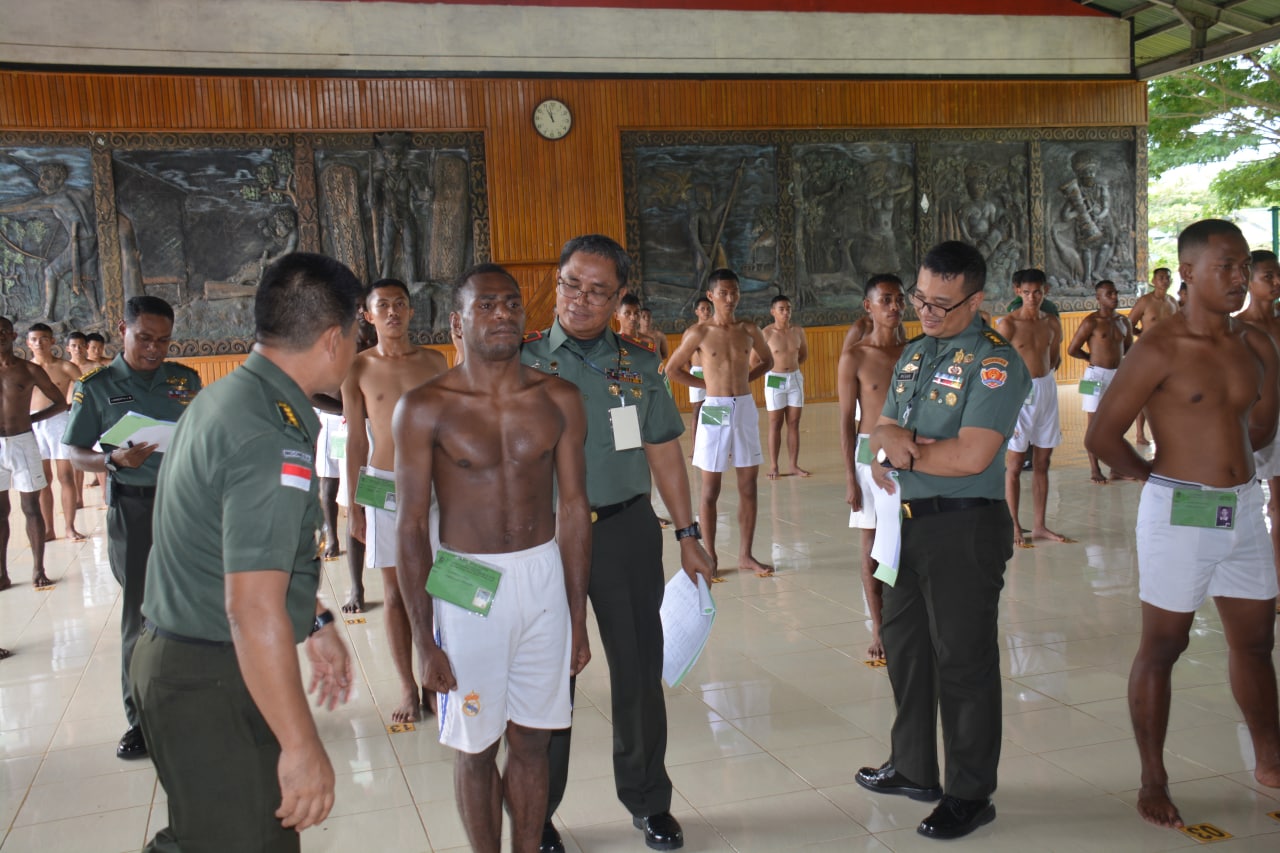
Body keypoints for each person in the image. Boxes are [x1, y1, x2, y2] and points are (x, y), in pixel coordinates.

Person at [132, 252, 360, 852]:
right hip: (210, 674)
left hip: (196, 661)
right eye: (357, 334)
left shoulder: (232, 396)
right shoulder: (268, 431)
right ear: (335, 338)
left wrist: (313, 621)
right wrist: (302, 745)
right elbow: (252, 609)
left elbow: (242, 548)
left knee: (207, 834)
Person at [1084, 220, 1280, 828]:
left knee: (1256, 641)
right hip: (1180, 508)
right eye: (1225, 266)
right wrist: (1154, 476)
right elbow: (1101, 434)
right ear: (1188, 271)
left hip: (1244, 508)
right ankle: (1153, 777)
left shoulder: (1256, 344)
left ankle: (1271, 759)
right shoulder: (1160, 347)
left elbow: (1261, 426)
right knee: (1164, 646)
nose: (1238, 277)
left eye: (1244, 266)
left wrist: (1231, 459)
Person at [521, 234, 713, 853]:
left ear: (618, 297)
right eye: (572, 283)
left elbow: (662, 449)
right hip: (545, 540)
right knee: (551, 681)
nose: (581, 299)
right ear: (557, 281)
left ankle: (648, 801)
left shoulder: (638, 363)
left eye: (599, 290)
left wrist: (687, 533)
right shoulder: (519, 361)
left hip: (628, 532)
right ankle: (538, 813)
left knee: (637, 673)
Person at [396, 264, 591, 853]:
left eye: (511, 304)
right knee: (476, 744)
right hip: (464, 579)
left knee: (534, 742)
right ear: (458, 322)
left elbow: (576, 511)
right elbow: (408, 526)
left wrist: (578, 617)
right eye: (487, 305)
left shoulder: (557, 398)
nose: (503, 314)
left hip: (541, 577)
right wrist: (423, 639)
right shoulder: (425, 406)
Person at [858, 240, 1030, 841]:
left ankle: (969, 791)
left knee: (963, 661)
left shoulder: (996, 362)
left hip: (963, 526)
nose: (926, 314)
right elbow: (880, 424)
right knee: (905, 646)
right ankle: (913, 766)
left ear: (976, 300)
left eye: (941, 305)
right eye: (920, 301)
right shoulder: (913, 353)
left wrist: (906, 449)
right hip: (903, 521)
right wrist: (888, 446)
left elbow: (974, 453)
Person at [63, 296, 202, 760]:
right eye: (144, 338)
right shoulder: (97, 387)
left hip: (184, 508)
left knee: (191, 611)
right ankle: (140, 721)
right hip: (136, 509)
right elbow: (75, 452)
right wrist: (110, 460)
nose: (153, 349)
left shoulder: (184, 380)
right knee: (142, 620)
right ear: (122, 328)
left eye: (163, 340)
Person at [341, 278, 448, 722]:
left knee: (440, 586)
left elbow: (454, 425)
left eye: (400, 304)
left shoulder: (436, 361)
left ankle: (435, 676)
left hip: (438, 483)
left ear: (410, 311)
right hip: (383, 484)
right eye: (382, 306)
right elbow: (354, 442)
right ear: (367, 316)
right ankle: (407, 685)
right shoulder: (358, 369)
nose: (393, 312)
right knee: (395, 591)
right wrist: (355, 507)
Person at [667, 268, 775, 577]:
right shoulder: (698, 333)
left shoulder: (749, 329)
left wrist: (744, 379)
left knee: (748, 486)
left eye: (734, 292)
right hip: (713, 407)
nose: (730, 298)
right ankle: (711, 555)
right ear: (711, 296)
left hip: (743, 406)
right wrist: (706, 387)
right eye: (723, 293)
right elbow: (672, 369)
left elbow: (766, 361)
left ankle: (745, 555)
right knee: (710, 489)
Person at [837, 274, 906, 660]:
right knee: (871, 545)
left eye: (898, 300)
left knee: (907, 539)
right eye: (885, 300)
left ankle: (905, 617)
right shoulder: (856, 356)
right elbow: (847, 420)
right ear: (869, 307)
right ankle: (879, 627)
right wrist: (851, 477)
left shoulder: (915, 352)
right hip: (868, 452)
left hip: (908, 450)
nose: (894, 307)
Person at [998, 268, 1066, 546]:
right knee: (1014, 464)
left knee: (1043, 461)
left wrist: (1044, 378)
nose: (1032, 297)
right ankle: (1013, 525)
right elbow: (996, 366)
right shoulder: (1008, 325)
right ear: (1017, 292)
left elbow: (1054, 358)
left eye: (1037, 291)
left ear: (1045, 291)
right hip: (1019, 393)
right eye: (1026, 292)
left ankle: (1039, 526)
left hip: (1047, 389)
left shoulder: (1051, 323)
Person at [0, 316, 67, 592]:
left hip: (24, 441)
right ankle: (2, 573)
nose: (0, 336)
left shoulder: (28, 370)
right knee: (1, 511)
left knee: (30, 507)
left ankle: (39, 568)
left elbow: (61, 402)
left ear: (14, 336)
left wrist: (33, 419)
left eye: (4, 332)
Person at [1239, 250, 1280, 595]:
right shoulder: (1239, 329)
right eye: (1268, 276)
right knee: (1260, 503)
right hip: (1258, 422)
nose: (1277, 282)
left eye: (1278, 275)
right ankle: (1267, 583)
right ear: (1249, 280)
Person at [1066, 280, 1132, 484]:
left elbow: (1128, 348)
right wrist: (1090, 359)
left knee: (1115, 423)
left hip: (1116, 375)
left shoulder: (1123, 321)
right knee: (1094, 423)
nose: (1115, 297)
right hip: (1094, 376)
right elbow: (1072, 349)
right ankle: (1095, 469)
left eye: (1115, 293)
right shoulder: (1091, 322)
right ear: (1098, 297)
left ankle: (1116, 468)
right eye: (1109, 294)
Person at [26, 323, 85, 540]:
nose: (39, 343)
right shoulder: (26, 369)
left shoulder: (65, 367)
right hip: (33, 422)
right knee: (43, 479)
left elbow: (86, 391)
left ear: (52, 341)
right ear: (28, 343)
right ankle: (49, 529)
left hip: (59, 421)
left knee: (65, 476)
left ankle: (69, 527)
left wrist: (76, 412)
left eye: (43, 338)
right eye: (34, 339)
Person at [1127, 267, 1178, 445]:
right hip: (1147, 354)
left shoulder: (1173, 302)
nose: (1165, 280)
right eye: (1161, 278)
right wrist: (1142, 334)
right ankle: (1140, 434)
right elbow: (1128, 324)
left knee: (1167, 393)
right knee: (1144, 394)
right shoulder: (1145, 301)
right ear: (1153, 281)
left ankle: (1166, 431)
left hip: (1169, 354)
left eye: (1167, 278)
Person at [761, 294, 810, 479]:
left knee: (794, 423)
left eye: (788, 308)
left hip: (795, 378)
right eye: (781, 309)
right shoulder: (766, 333)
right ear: (773, 311)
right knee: (775, 423)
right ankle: (774, 466)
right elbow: (754, 360)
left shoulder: (798, 331)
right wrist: (774, 370)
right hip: (774, 378)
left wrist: (791, 368)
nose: (786, 312)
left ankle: (793, 465)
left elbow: (803, 355)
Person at [63, 331, 95, 509]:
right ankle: (78, 497)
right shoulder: (64, 368)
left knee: (96, 453)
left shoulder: (95, 367)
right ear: (68, 348)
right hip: (68, 414)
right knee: (74, 457)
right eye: (74, 346)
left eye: (81, 345)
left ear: (86, 347)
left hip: (91, 414)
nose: (78, 349)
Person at [681, 297, 713, 454]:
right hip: (697, 372)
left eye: (708, 308)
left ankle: (716, 444)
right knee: (697, 409)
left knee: (716, 406)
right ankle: (695, 447)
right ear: (696, 312)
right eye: (703, 309)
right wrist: (692, 372)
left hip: (713, 374)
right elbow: (684, 357)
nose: (706, 311)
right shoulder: (690, 331)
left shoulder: (715, 329)